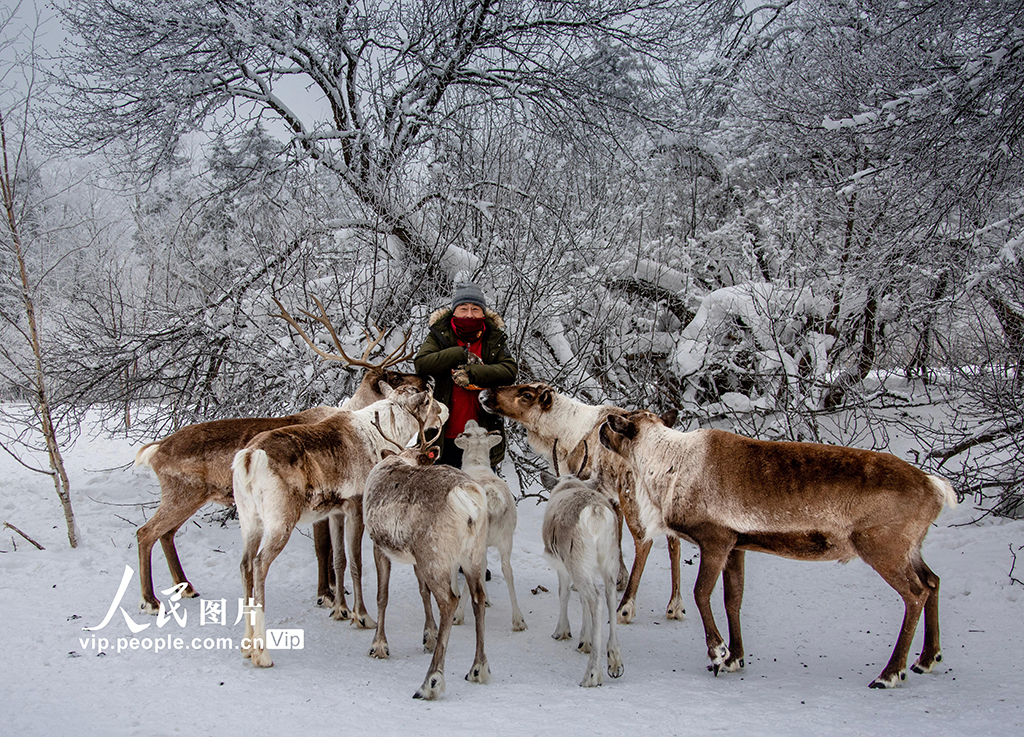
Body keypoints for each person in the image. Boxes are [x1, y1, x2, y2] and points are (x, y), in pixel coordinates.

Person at [414, 283, 518, 469]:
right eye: (463, 308)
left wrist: (473, 373)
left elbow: (509, 371)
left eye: (475, 309)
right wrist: (460, 354)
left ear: (483, 313)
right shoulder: (440, 334)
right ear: (454, 311)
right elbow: (422, 363)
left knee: (480, 488)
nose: (469, 314)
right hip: (441, 438)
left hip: (482, 439)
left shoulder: (493, 337)